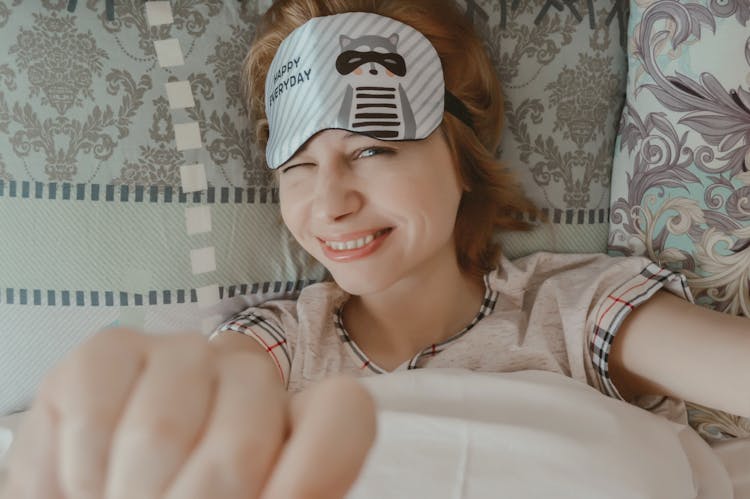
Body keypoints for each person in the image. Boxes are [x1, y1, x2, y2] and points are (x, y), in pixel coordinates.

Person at [3, 0, 749, 497]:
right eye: (297, 167)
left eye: (371, 150)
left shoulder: (574, 306)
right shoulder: (286, 339)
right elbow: (205, 396)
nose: (329, 202)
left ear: (461, 158)